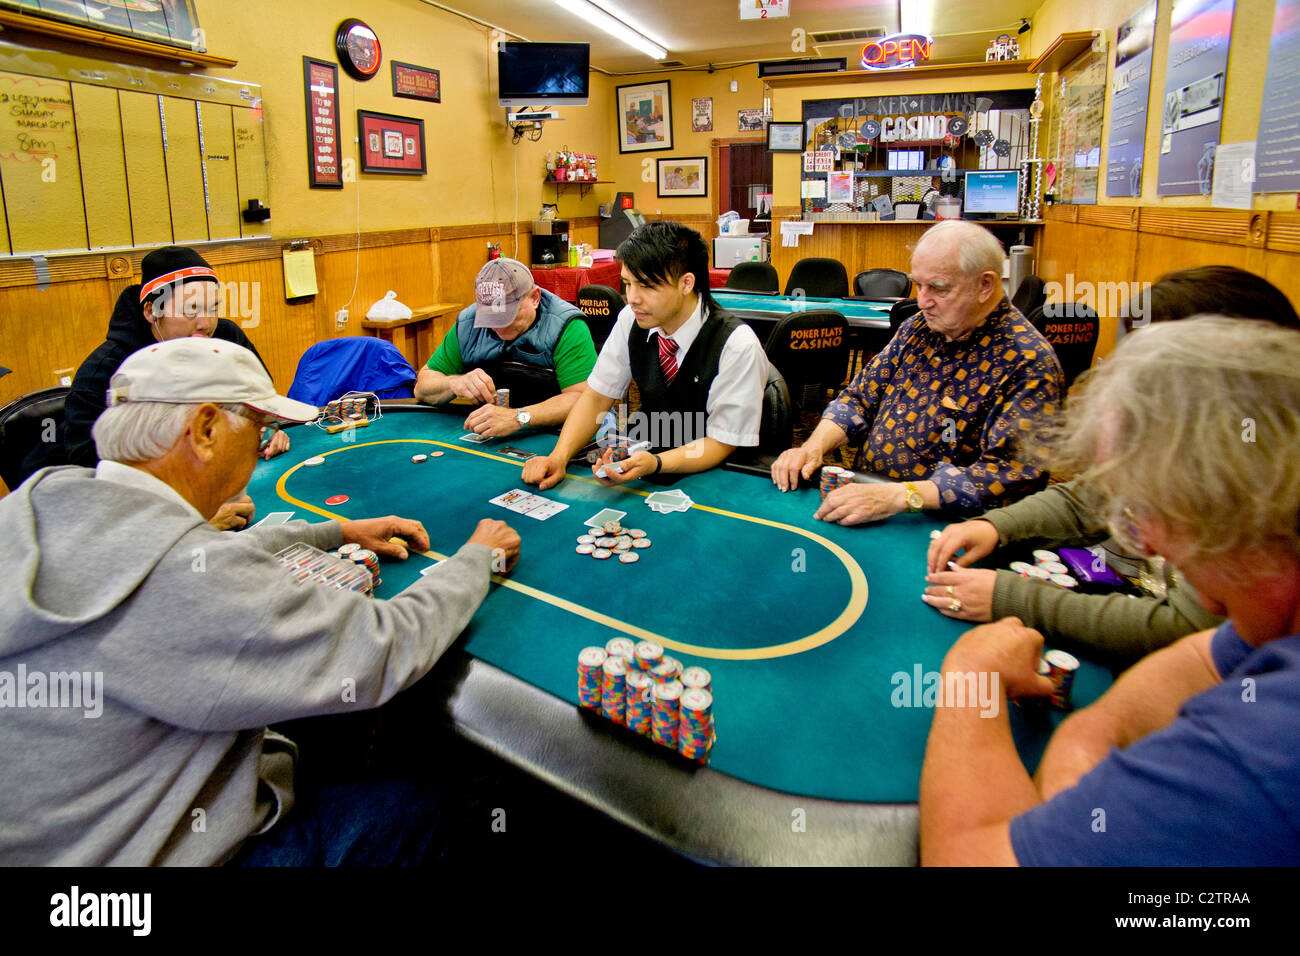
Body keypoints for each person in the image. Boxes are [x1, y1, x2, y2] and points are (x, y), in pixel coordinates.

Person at [0, 337, 521, 865]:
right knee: (430, 809)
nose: (265, 445)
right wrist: (477, 557)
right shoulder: (190, 583)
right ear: (204, 430)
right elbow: (386, 646)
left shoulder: (42, 499)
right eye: (259, 429)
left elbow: (177, 550)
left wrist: (336, 530)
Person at [920, 317, 1300, 865]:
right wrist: (1087, 734)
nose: (1137, 538)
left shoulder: (1262, 751)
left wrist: (971, 676)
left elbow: (969, 860)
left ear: (1225, 506)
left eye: (1142, 507)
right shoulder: (1271, 611)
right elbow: (1204, 658)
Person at [921, 266, 1300, 659]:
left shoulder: (1259, 476)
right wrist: (995, 525)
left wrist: (1015, 598)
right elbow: (1091, 496)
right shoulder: (1194, 428)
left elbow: (1186, 627)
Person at [771, 220, 1063, 525]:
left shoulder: (1029, 362)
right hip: (868, 500)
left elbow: (1008, 477)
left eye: (937, 288)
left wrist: (899, 496)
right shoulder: (918, 327)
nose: (922, 301)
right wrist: (813, 447)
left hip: (947, 526)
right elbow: (859, 399)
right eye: (918, 285)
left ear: (985, 285)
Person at [46, 246, 288, 531]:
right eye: (191, 310)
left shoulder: (226, 338)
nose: (206, 323)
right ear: (151, 311)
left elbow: (261, 403)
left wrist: (261, 428)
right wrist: (188, 518)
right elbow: (93, 469)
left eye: (213, 308)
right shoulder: (104, 371)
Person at [521, 220, 769, 490]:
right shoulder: (631, 319)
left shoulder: (738, 345)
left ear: (686, 283)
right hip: (645, 454)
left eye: (647, 286)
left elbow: (722, 443)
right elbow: (596, 396)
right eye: (627, 284)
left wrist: (657, 462)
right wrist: (559, 456)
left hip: (713, 473)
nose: (632, 298)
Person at [413, 257, 597, 439]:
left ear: (535, 298)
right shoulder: (469, 323)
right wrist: (454, 383)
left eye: (507, 316)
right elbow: (422, 388)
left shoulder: (567, 326)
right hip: (493, 433)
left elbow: (582, 398)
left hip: (559, 432)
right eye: (490, 318)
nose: (499, 327)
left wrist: (519, 418)